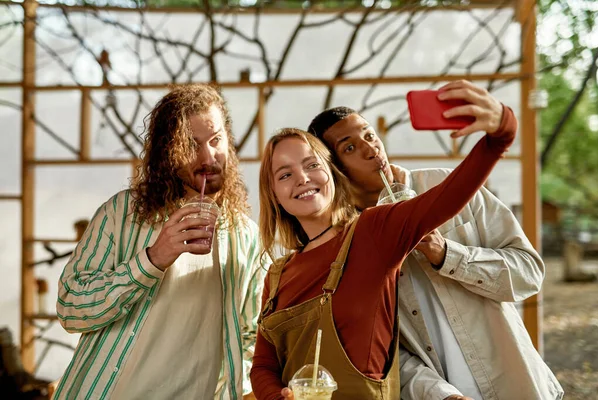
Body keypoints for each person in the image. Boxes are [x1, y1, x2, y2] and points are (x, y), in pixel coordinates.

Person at [250, 91, 518, 400]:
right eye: (285, 174)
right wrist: (274, 396)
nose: (301, 178)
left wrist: (501, 134)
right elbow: (263, 365)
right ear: (274, 195)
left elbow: (451, 194)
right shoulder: (277, 274)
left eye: (311, 165)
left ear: (331, 172)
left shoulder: (373, 230)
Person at [306, 80, 563, 399]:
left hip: (519, 386)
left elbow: (529, 274)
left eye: (370, 135)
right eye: (350, 147)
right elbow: (382, 350)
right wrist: (441, 395)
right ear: (335, 169)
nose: (372, 150)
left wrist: (448, 255)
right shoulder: (348, 242)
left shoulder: (451, 187)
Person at [54, 84, 267, 400]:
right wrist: (153, 259)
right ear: (168, 152)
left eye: (216, 140)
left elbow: (252, 335)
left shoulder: (246, 236)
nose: (209, 157)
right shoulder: (122, 212)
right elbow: (71, 308)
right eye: (192, 145)